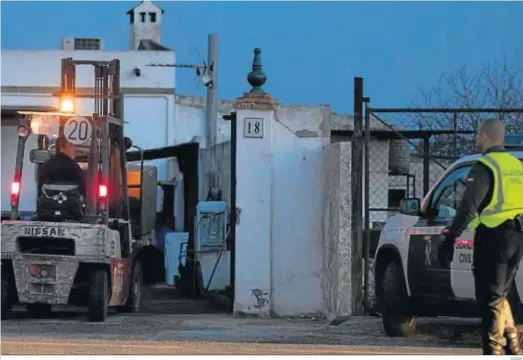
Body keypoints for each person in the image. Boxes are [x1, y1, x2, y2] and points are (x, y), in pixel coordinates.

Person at [438, 118, 523, 355]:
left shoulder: (485, 166)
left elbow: (468, 206)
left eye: (478, 136)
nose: (477, 140)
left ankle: (494, 350)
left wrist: (450, 239)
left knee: (489, 300)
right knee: (499, 295)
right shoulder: (516, 165)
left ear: (484, 137)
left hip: (493, 239)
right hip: (516, 237)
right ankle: (512, 345)